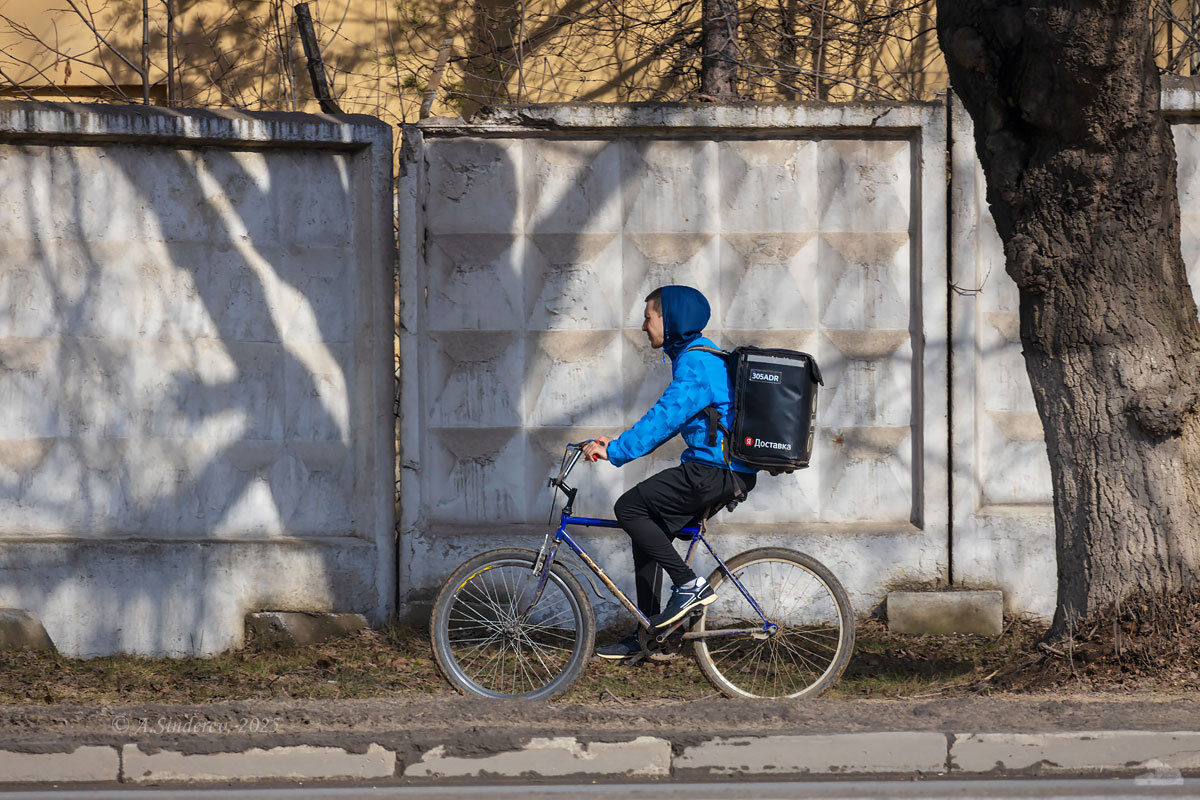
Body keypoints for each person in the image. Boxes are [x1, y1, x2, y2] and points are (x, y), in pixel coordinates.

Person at [582, 285, 758, 660]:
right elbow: (674, 418)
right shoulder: (696, 358)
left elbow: (666, 417)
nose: (643, 326)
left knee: (629, 508)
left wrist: (614, 451)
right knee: (648, 533)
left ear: (670, 319)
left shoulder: (697, 362)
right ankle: (650, 634)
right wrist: (615, 441)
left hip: (712, 471)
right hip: (717, 470)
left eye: (649, 317)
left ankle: (689, 585)